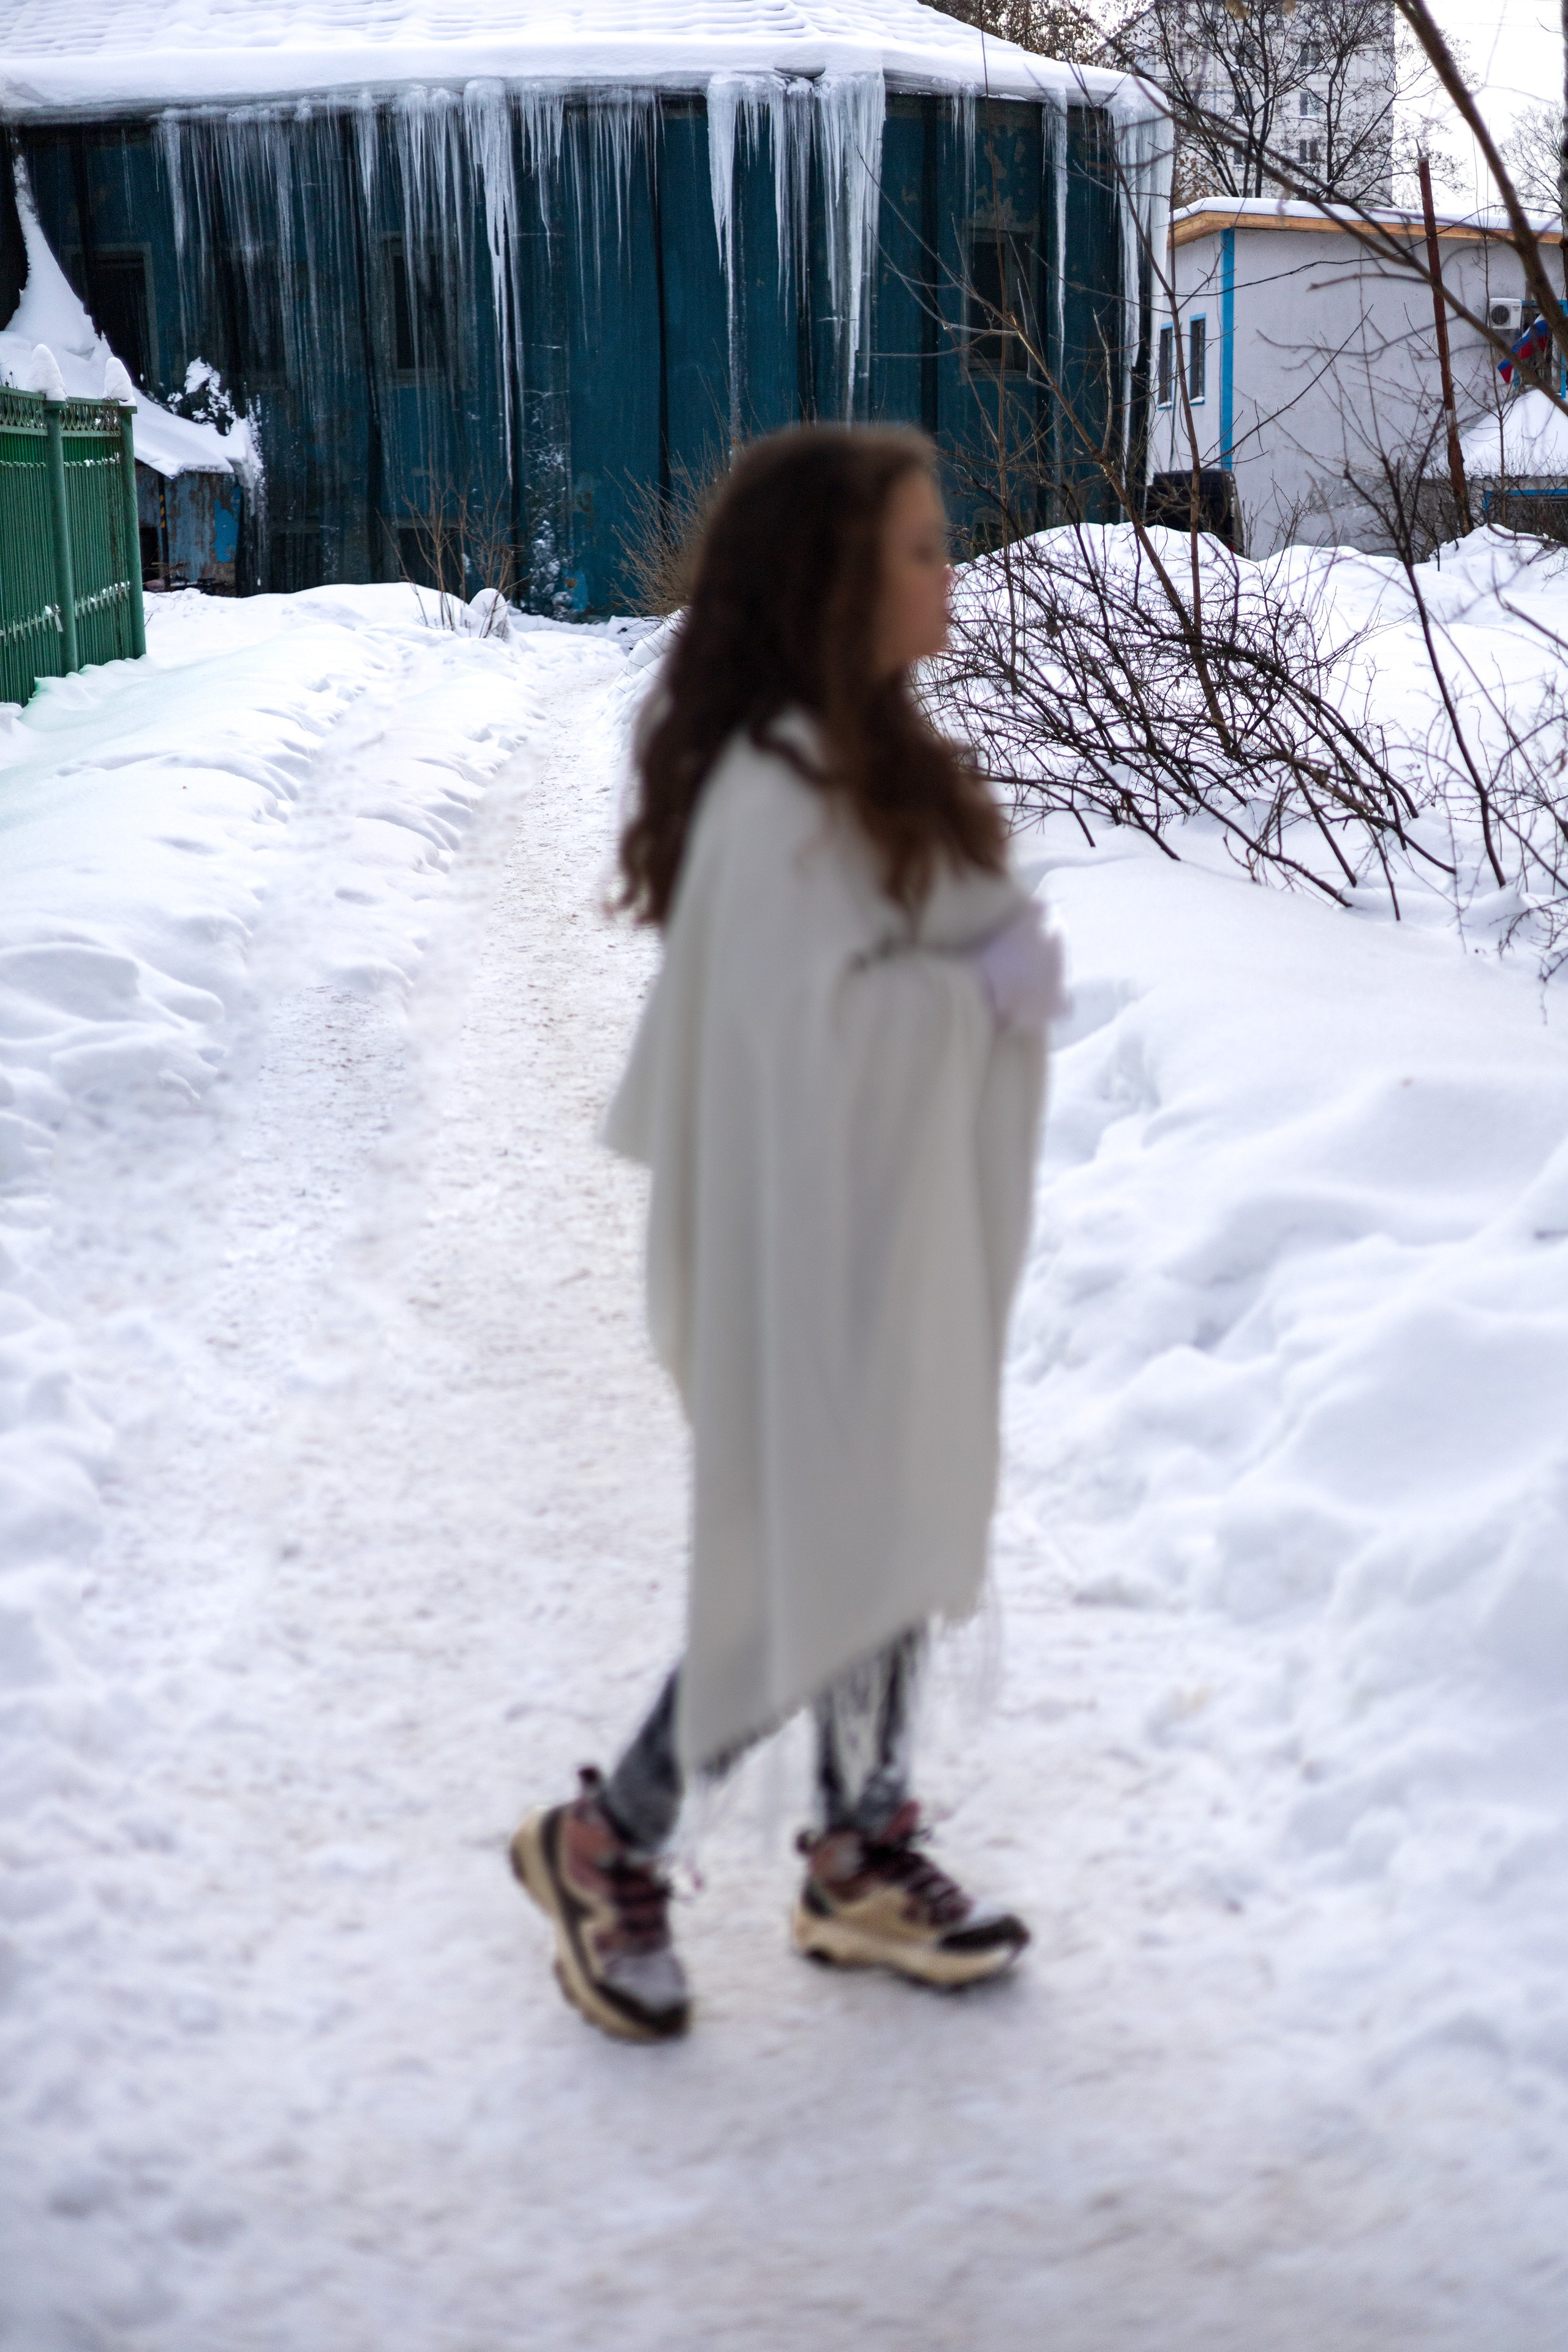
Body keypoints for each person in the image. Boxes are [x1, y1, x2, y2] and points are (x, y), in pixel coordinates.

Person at [511, 424, 1065, 2044]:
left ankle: (859, 1848)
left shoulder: (875, 756)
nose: (948, 570)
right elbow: (807, 1045)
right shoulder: (773, 793)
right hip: (793, 1244)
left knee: (881, 1517)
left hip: (882, 1234)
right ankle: (607, 1837)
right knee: (789, 1570)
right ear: (836, 576)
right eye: (920, 545)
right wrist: (974, 997)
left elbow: (937, 949)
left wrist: (983, 975)